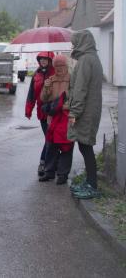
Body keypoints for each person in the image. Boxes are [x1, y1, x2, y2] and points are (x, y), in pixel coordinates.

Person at [67, 30, 104, 199]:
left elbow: (80, 89)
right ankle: (90, 182)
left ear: (83, 42)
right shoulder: (93, 58)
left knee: (85, 146)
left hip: (85, 112)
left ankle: (92, 185)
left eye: (75, 43)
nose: (74, 46)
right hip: (90, 109)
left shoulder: (85, 61)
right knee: (84, 145)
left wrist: (74, 112)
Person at [39, 54, 73, 184]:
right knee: (51, 145)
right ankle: (49, 172)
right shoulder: (51, 79)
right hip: (52, 118)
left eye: (61, 66)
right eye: (56, 66)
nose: (59, 69)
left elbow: (77, 97)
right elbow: (43, 99)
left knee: (66, 145)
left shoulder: (72, 79)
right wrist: (46, 87)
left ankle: (63, 174)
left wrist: (67, 105)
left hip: (66, 117)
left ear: (66, 66)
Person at [25, 51, 55, 176]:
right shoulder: (36, 74)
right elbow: (31, 93)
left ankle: (44, 163)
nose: (43, 61)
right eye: (41, 59)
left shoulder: (55, 73)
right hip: (42, 112)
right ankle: (48, 164)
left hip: (54, 111)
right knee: (49, 138)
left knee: (51, 138)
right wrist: (28, 109)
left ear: (50, 60)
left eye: (46, 59)